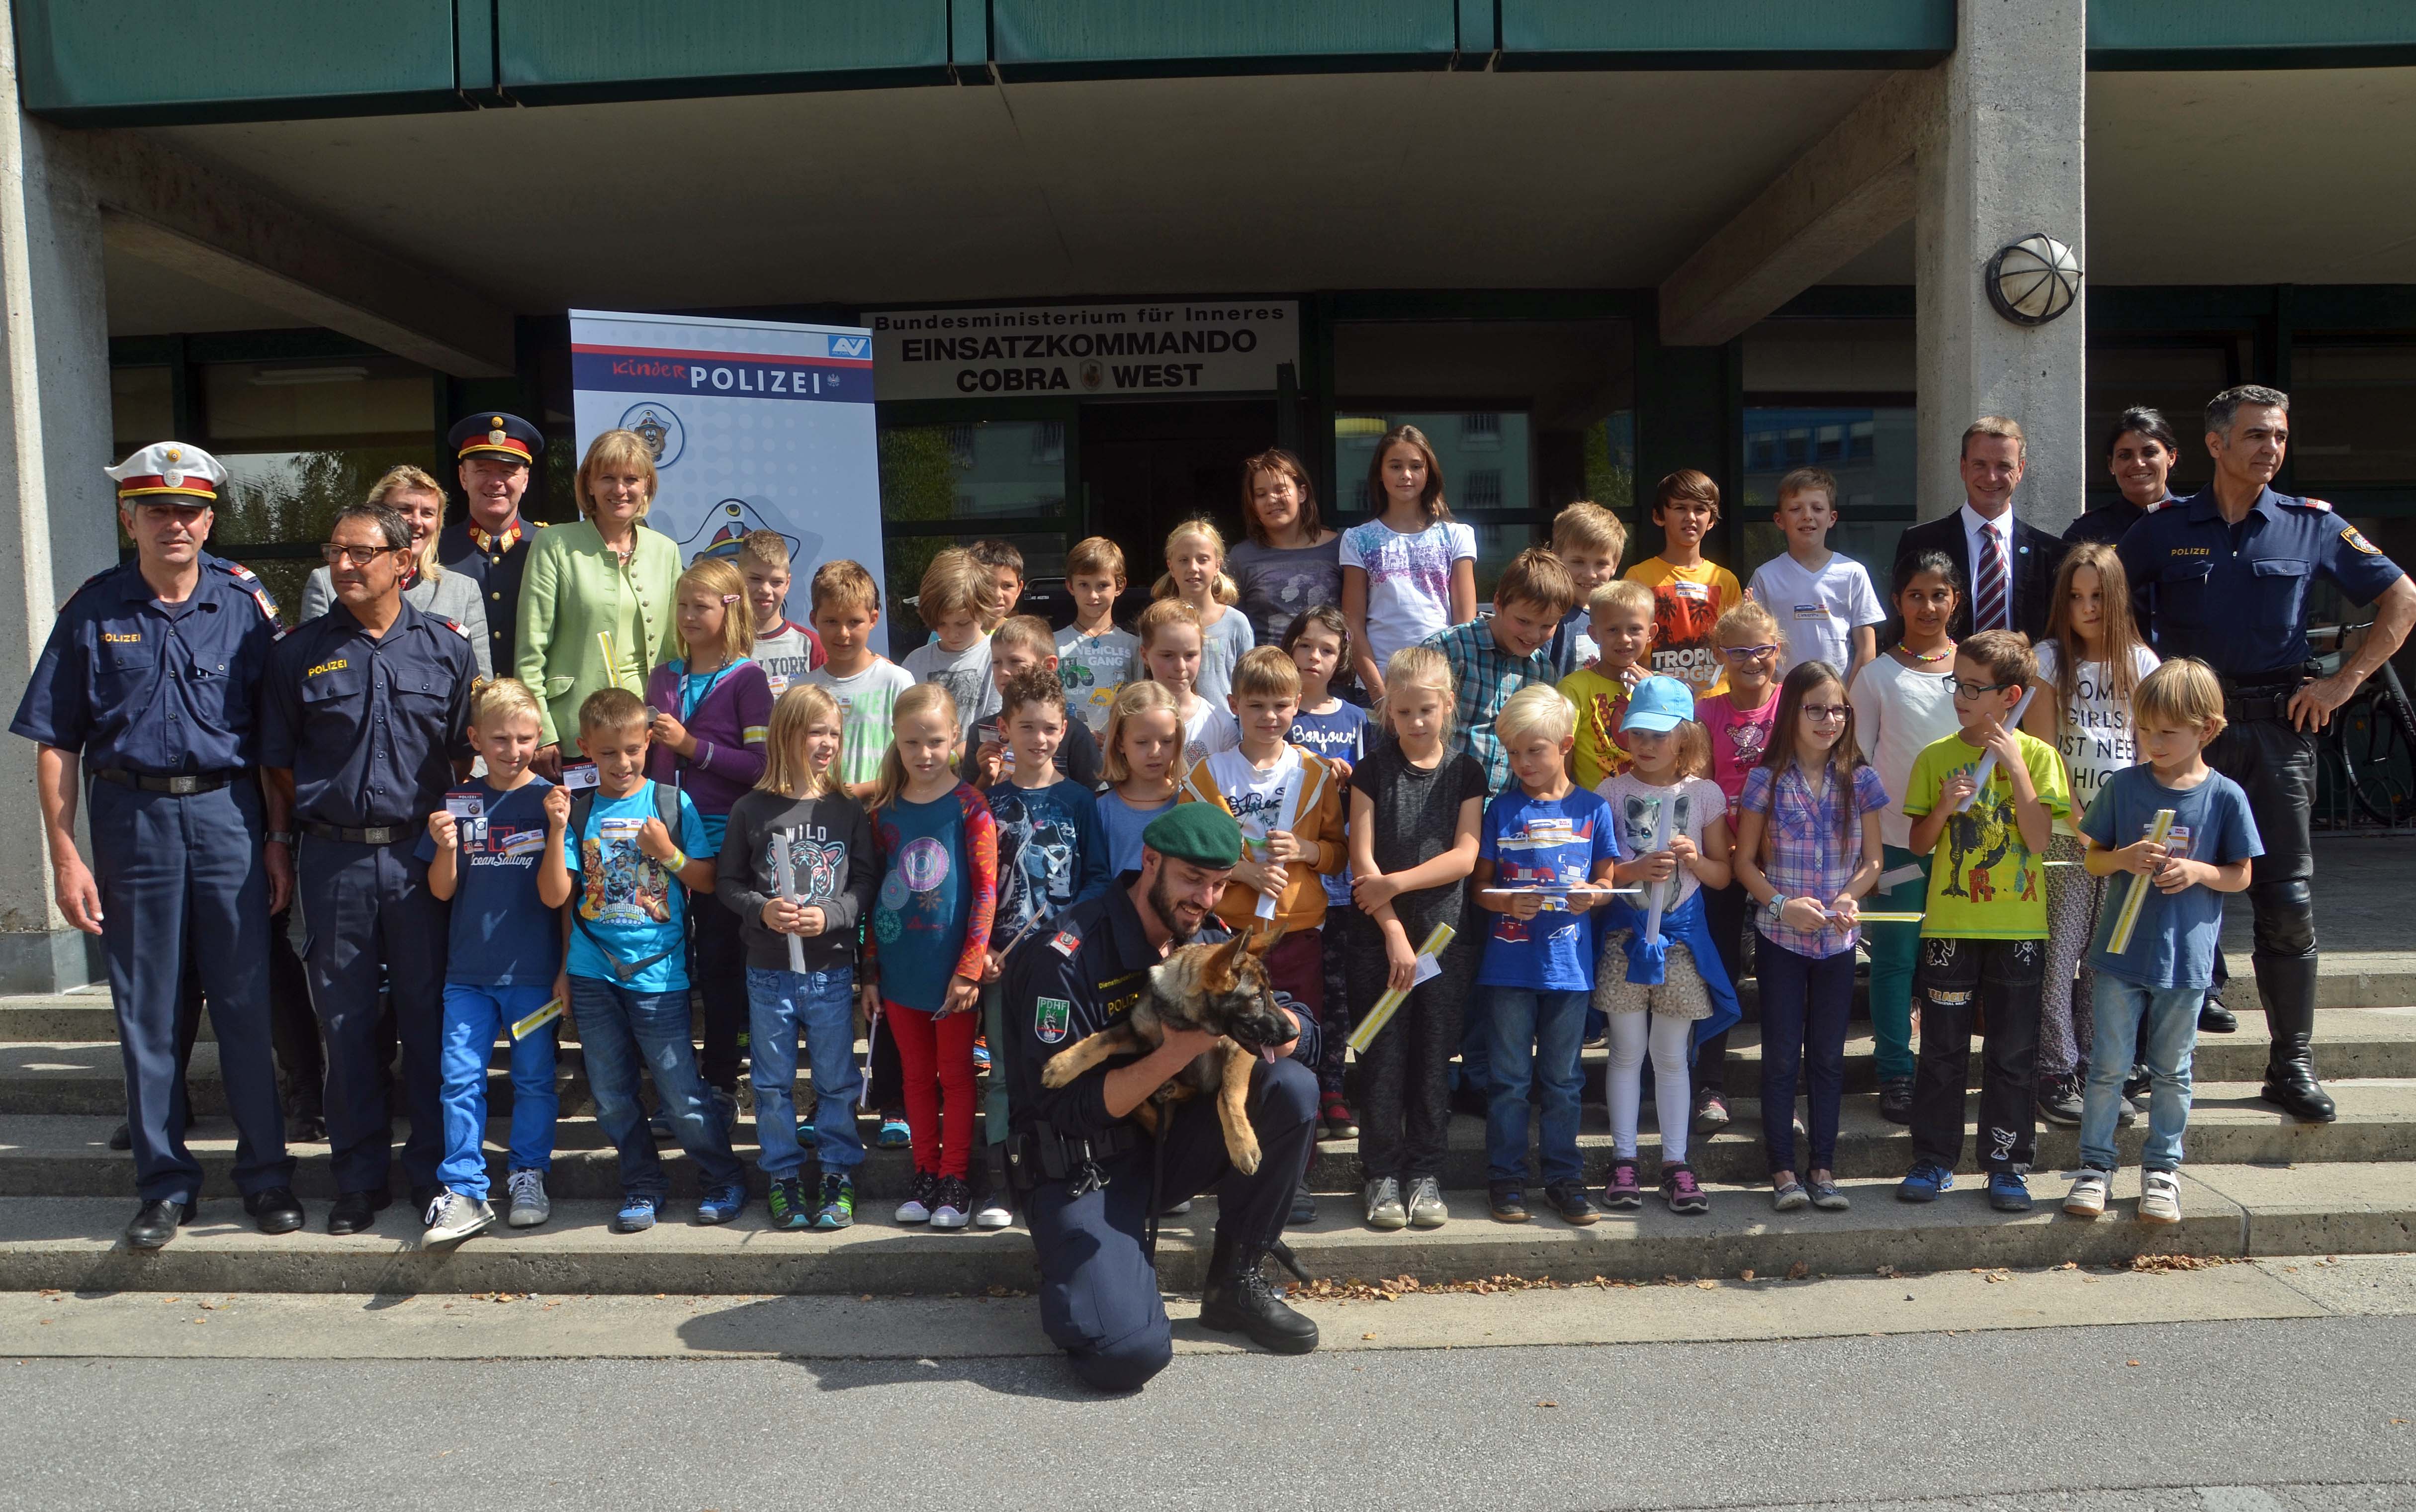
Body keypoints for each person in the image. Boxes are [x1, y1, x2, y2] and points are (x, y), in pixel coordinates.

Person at [11, 443, 301, 1248]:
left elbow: (274, 741)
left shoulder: (245, 605)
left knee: (245, 1001)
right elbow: (56, 741)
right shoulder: (92, 610)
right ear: (128, 517)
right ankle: (164, 1187)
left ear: (209, 520)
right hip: (131, 821)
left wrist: (277, 839)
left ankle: (266, 1176)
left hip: (228, 816)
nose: (175, 523)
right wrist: (64, 855)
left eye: (189, 510)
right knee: (146, 1010)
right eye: (158, 509)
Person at [2120, 385, 2416, 1123]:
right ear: (2214, 443)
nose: (2270, 448)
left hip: (2278, 736)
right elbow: (2100, 606)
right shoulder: (2162, 529)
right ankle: (2140, 1060)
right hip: (2188, 740)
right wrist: (2142, 693)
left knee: (2285, 904)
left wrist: (2342, 683)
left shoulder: (2309, 523)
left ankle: (2290, 1065)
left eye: (2278, 436)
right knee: (2160, 891)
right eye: (2255, 435)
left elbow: (2401, 597)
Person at [1003, 804, 1321, 1389]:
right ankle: (1090, 1267)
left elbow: (1292, 1023)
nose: (1205, 898)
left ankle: (1235, 1284)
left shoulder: (1207, 940)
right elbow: (1062, 1108)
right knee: (1125, 1355)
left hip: (1165, 1147)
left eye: (1219, 882)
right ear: (1150, 861)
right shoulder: (1066, 954)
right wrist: (1174, 1052)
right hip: (1081, 1167)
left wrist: (1288, 1026)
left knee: (1290, 1086)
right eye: (1192, 879)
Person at [263, 500, 477, 1233]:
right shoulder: (297, 653)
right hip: (336, 860)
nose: (345, 565)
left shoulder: (446, 649)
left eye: (361, 553)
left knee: (428, 1018)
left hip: (421, 857)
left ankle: (432, 1173)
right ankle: (357, 1180)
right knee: (347, 1023)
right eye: (336, 552)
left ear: (402, 562)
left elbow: (461, 755)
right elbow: (279, 762)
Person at [537, 688, 745, 1232]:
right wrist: (556, 828)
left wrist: (668, 854)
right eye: (608, 752)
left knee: (681, 1091)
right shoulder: (580, 811)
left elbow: (708, 881)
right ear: (585, 748)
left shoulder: (672, 803)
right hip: (592, 971)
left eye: (632, 749)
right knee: (610, 1095)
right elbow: (558, 897)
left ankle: (722, 1176)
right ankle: (642, 1183)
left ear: (649, 742)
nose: (622, 762)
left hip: (659, 973)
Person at [2065, 659, 2260, 1227]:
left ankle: (2161, 1170)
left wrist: (2198, 871)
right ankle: (2094, 1165)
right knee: (2106, 1066)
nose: (2152, 741)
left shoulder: (2224, 795)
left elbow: (2241, 874)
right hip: (2118, 953)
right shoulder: (2124, 786)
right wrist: (2124, 857)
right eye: (2144, 729)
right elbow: (2092, 857)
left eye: (2166, 732)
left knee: (2173, 1069)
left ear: (2206, 729)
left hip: (2185, 958)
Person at [1896, 629, 2071, 1213]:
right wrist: (1945, 805)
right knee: (1941, 1049)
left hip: (2018, 929)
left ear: (2010, 696)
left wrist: (2016, 768)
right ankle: (1933, 1159)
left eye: (1974, 688)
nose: (1960, 696)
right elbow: (1918, 844)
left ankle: (2006, 1164)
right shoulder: (1935, 756)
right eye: (1957, 683)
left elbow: (2039, 840)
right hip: (1949, 926)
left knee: (2012, 1052)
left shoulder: (2040, 757)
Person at [1178, 645, 1344, 1218]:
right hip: (1231, 941)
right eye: (1256, 705)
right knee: (1228, 1056)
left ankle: (1292, 1176)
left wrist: (1306, 849)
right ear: (1233, 705)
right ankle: (1226, 1168)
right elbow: (1190, 851)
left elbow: (1338, 853)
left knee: (1294, 1056)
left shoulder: (1314, 773)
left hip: (1297, 937)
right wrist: (1242, 871)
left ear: (1297, 704)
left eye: (1279, 705)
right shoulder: (1207, 774)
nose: (1269, 716)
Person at [717, 683, 878, 1233]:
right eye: (815, 732)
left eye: (834, 732)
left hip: (830, 969)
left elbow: (863, 883)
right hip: (768, 972)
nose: (827, 742)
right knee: (770, 1083)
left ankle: (837, 1173)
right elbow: (728, 883)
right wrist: (762, 910)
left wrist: (831, 915)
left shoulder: (846, 808)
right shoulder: (750, 808)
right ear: (786, 735)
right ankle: (782, 1174)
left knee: (835, 1080)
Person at [1733, 661, 1886, 1214]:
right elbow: (1743, 863)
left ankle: (1823, 1168)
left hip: (1838, 945)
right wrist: (1781, 905)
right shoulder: (1765, 778)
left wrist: (1848, 897)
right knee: (1780, 1057)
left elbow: (1873, 861)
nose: (1829, 719)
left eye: (1838, 709)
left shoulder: (1860, 778)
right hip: (1780, 940)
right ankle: (1781, 1169)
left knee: (1827, 1057)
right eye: (1815, 708)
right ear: (1791, 712)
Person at [417, 678, 566, 1245]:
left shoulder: (552, 800)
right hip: (468, 978)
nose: (513, 750)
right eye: (500, 739)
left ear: (539, 736)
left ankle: (529, 1173)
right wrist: (446, 847)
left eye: (524, 739)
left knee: (533, 1079)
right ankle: (463, 1187)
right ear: (475, 739)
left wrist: (557, 829)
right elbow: (441, 890)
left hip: (532, 976)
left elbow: (559, 898)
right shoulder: (457, 800)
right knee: (459, 1079)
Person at [1346, 645, 1485, 1230]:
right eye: (1402, 712)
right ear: (1388, 712)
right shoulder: (1370, 770)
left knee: (1432, 1059)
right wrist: (1393, 932)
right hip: (1379, 942)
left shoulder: (1465, 770)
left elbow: (1465, 855)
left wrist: (1396, 882)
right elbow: (1362, 861)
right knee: (1381, 1057)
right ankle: (1380, 1173)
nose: (1415, 722)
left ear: (1447, 704)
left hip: (1445, 942)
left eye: (1425, 710)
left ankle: (1425, 1172)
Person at [1592, 676, 1739, 1216]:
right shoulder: (1610, 792)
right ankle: (1623, 1159)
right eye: (1637, 733)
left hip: (1680, 941)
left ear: (1685, 736)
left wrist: (1695, 860)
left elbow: (1722, 874)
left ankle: (1676, 1163)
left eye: (1658, 734)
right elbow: (1601, 873)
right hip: (1624, 939)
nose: (1646, 744)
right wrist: (1633, 869)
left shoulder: (1704, 794)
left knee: (1671, 1055)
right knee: (1625, 1050)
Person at [2023, 543, 2158, 1126]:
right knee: (2060, 955)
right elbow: (2043, 753)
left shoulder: (2142, 663)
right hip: (2064, 834)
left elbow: (2149, 749)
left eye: (2098, 595)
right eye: (2076, 596)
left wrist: (2124, 828)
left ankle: (2097, 1068)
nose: (2087, 607)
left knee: (2106, 960)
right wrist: (2081, 823)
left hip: (2124, 838)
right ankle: (2053, 1069)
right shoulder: (2048, 659)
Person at [1472, 686, 1617, 1227]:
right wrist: (1507, 901)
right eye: (1513, 752)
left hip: (1569, 970)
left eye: (1534, 750)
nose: (1523, 763)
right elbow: (1479, 887)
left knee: (1563, 1080)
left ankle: (1564, 1178)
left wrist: (1592, 896)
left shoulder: (1594, 807)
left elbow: (1607, 882)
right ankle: (1505, 1178)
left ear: (1564, 745)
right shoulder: (1501, 808)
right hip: (1508, 967)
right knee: (1509, 1080)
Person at [973, 666, 1109, 1228]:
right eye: (1026, 727)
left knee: (1060, 1065)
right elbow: (973, 887)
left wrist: (1067, 938)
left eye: (1050, 728)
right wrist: (979, 949)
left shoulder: (1080, 800)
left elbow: (1097, 879)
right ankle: (1001, 1180)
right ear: (1004, 728)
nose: (1039, 738)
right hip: (1000, 964)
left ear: (1065, 730)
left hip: (1057, 968)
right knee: (1003, 1073)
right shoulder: (985, 802)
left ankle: (1063, 1168)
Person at [861, 683, 997, 1232]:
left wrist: (969, 968)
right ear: (895, 739)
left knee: (956, 1076)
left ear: (956, 738)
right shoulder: (883, 812)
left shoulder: (970, 806)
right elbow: (876, 896)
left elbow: (985, 892)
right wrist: (871, 972)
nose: (924, 753)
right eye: (912, 742)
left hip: (951, 975)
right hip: (900, 971)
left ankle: (954, 1178)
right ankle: (924, 1173)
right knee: (916, 1078)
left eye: (936, 741)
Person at [642, 557, 774, 1124]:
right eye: (682, 605)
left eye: (701, 605)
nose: (689, 616)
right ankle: (670, 1082)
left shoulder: (747, 678)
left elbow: (761, 766)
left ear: (730, 609)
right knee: (668, 961)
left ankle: (721, 1076)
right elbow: (648, 762)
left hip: (723, 844)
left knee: (719, 962)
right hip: (661, 837)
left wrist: (692, 747)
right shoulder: (663, 676)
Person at [1848, 549, 1967, 1123]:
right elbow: (1857, 765)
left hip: (1969, 845)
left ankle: (1946, 1066)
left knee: (1954, 962)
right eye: (1915, 595)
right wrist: (1867, 844)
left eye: (1938, 594)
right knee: (1894, 959)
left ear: (1954, 600)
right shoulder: (1876, 675)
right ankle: (1895, 1069)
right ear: (1896, 601)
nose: (1927, 606)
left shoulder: (1974, 667)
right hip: (1895, 843)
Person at [516, 429, 684, 779]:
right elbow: (531, 650)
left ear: (647, 486)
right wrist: (541, 731)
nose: (620, 490)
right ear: (589, 484)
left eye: (631, 479)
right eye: (608, 478)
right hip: (575, 730)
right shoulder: (554, 543)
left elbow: (674, 646)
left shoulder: (665, 550)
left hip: (648, 732)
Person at [1688, 598, 1788, 1135]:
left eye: (1762, 649)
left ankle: (1783, 1088)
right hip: (1723, 854)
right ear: (1718, 654)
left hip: (1785, 858)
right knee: (1720, 968)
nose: (1752, 660)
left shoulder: (1795, 703)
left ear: (1778, 650)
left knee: (1780, 974)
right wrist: (1728, 850)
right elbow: (1703, 787)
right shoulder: (1706, 712)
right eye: (1739, 651)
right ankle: (1710, 1083)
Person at [1281, 605, 1370, 1138]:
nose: (1314, 656)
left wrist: (1351, 779)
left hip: (1340, 883)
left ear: (1341, 661)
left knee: (1335, 995)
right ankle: (1299, 1089)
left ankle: (1332, 1087)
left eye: (1327, 649)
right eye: (1305, 645)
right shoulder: (1276, 714)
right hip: (1288, 889)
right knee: (1294, 993)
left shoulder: (1357, 720)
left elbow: (1374, 793)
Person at [301, 464, 492, 678]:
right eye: (404, 510)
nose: (417, 522)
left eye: (428, 513)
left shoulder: (463, 591)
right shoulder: (328, 583)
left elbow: (481, 687)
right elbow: (312, 673)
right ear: (377, 514)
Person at [1890, 417, 2069, 641]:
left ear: (2020, 470)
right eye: (1980, 465)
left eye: (2004, 466)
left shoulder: (2051, 552)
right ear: (1963, 467)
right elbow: (1900, 626)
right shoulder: (1920, 542)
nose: (1991, 477)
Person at [1420, 546, 1577, 797]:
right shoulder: (1447, 650)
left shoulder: (1543, 672)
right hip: (1446, 800)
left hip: (1507, 808)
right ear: (1498, 604)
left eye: (1547, 626)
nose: (1533, 635)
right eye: (1523, 621)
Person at [1340, 423, 1477, 698]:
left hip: (1438, 684)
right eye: (1395, 466)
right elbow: (1352, 625)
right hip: (1380, 681)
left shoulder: (1457, 535)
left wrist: (1452, 686)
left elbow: (1465, 625)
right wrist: (1379, 695)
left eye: (1416, 466)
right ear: (1380, 473)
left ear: (1429, 473)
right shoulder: (1357, 539)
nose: (1406, 475)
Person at [436, 411, 547, 676]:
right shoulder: (436, 550)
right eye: (482, 470)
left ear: (525, 480)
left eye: (508, 472)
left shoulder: (549, 547)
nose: (496, 482)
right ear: (463, 477)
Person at [1747, 466, 1884, 681]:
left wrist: (1848, 696)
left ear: (1832, 518)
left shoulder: (1853, 573)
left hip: (1838, 696)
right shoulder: (1765, 576)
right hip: (1783, 696)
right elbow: (1753, 646)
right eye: (1796, 509)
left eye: (1818, 509)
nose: (1807, 516)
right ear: (1779, 520)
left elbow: (1867, 649)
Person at [800, 558, 915, 802]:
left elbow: (914, 758)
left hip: (884, 813)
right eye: (831, 621)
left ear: (873, 619)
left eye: (854, 622)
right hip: (819, 816)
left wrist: (860, 791)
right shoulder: (800, 690)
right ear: (813, 620)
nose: (843, 633)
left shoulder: (897, 681)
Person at [1626, 469, 1744, 699]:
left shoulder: (1726, 580)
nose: (1691, 517)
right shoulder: (1638, 576)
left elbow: (1737, 646)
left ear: (1711, 520)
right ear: (1659, 516)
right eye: (1680, 508)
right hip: (1655, 700)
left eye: (1700, 509)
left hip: (1714, 703)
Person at [960, 614, 1103, 790]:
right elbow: (968, 801)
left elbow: (1094, 797)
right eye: (997, 662)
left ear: (1049, 666)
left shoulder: (1075, 733)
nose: (1003, 671)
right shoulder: (979, 731)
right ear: (1003, 727)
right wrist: (987, 777)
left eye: (1015, 662)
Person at [1229, 448, 1342, 649]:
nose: (1272, 499)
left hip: (1329, 668)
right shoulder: (1241, 557)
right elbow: (1230, 629)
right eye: (1261, 494)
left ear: (1302, 493)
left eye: (1281, 490)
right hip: (1267, 668)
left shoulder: (1341, 548)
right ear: (1253, 504)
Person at [1562, 579, 1653, 790]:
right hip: (1594, 805)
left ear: (1651, 633)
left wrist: (1655, 694)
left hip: (1650, 803)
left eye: (1634, 629)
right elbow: (1562, 753)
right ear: (1594, 634)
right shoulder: (1574, 687)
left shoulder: (1659, 686)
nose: (1625, 638)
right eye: (1613, 630)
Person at [1156, 518, 1254, 711]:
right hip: (1170, 724)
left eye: (1203, 560)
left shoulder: (1236, 623)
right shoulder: (1158, 622)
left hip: (1225, 725)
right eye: (1184, 560)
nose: (1193, 568)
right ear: (1171, 567)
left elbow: (1250, 686)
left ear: (1217, 566)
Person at [901, 549, 996, 746]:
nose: (953, 634)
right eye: (941, 624)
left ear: (984, 608)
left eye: (963, 623)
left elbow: (999, 731)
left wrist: (955, 755)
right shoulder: (915, 662)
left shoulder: (998, 658)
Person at [2066, 406, 2188, 548]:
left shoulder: (2197, 523)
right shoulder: (2085, 533)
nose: (2138, 463)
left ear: (2171, 458)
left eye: (2150, 453)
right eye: (2125, 456)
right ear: (2111, 464)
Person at [1055, 535, 1141, 735]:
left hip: (1118, 748)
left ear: (1119, 586)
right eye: (1084, 585)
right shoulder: (1053, 643)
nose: (1093, 595)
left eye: (1102, 585)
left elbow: (1140, 704)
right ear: (1070, 586)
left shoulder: (1134, 646)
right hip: (1068, 748)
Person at [1136, 597, 1238, 764]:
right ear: (1145, 655)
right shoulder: (1130, 719)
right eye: (1168, 656)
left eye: (1190, 655)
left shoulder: (1221, 725)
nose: (1181, 667)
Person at [1096, 680, 1183, 876]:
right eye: (1142, 742)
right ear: (1120, 743)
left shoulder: (1186, 802)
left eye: (1167, 741)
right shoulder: (1103, 810)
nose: (1155, 752)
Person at [734, 529, 825, 694]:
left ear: (787, 584)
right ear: (738, 577)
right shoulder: (722, 643)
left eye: (776, 582)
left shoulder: (810, 645)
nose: (766, 590)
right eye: (755, 579)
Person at [1545, 501, 1628, 679]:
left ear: (1615, 565)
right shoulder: (1549, 615)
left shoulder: (1618, 617)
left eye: (1601, 564)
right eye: (1578, 562)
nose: (1590, 574)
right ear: (1557, 558)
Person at [968, 539, 1026, 629]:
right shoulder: (952, 633)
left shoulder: (1022, 635)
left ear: (1019, 589)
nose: (997, 595)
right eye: (988, 585)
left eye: (1007, 586)